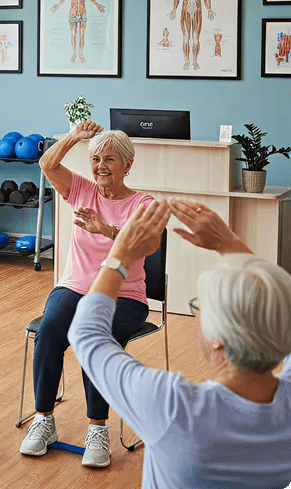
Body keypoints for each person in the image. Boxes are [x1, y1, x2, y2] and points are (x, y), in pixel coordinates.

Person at [69, 199, 291, 488]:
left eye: (200, 307)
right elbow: (280, 308)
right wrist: (230, 243)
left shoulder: (175, 409)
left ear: (217, 341)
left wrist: (121, 253)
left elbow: (86, 335)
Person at [20, 121, 153, 468]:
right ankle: (43, 419)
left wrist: (106, 229)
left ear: (128, 164)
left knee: (92, 333)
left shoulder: (143, 202)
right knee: (49, 330)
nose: (101, 166)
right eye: (95, 159)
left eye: (110, 159)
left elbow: (141, 244)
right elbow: (47, 164)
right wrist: (74, 138)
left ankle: (98, 430)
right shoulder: (81, 189)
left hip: (125, 296)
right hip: (76, 286)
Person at [50, 0, 105, 64]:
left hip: (82, 13)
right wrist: (58, 5)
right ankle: (74, 53)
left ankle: (81, 54)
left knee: (82, 35)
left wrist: (97, 5)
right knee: (73, 34)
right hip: (73, 12)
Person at [169, 0, 215, 71]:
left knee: (195, 38)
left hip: (197, 11)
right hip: (185, 11)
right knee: (186, 38)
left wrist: (209, 9)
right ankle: (186, 61)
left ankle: (194, 61)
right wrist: (174, 10)